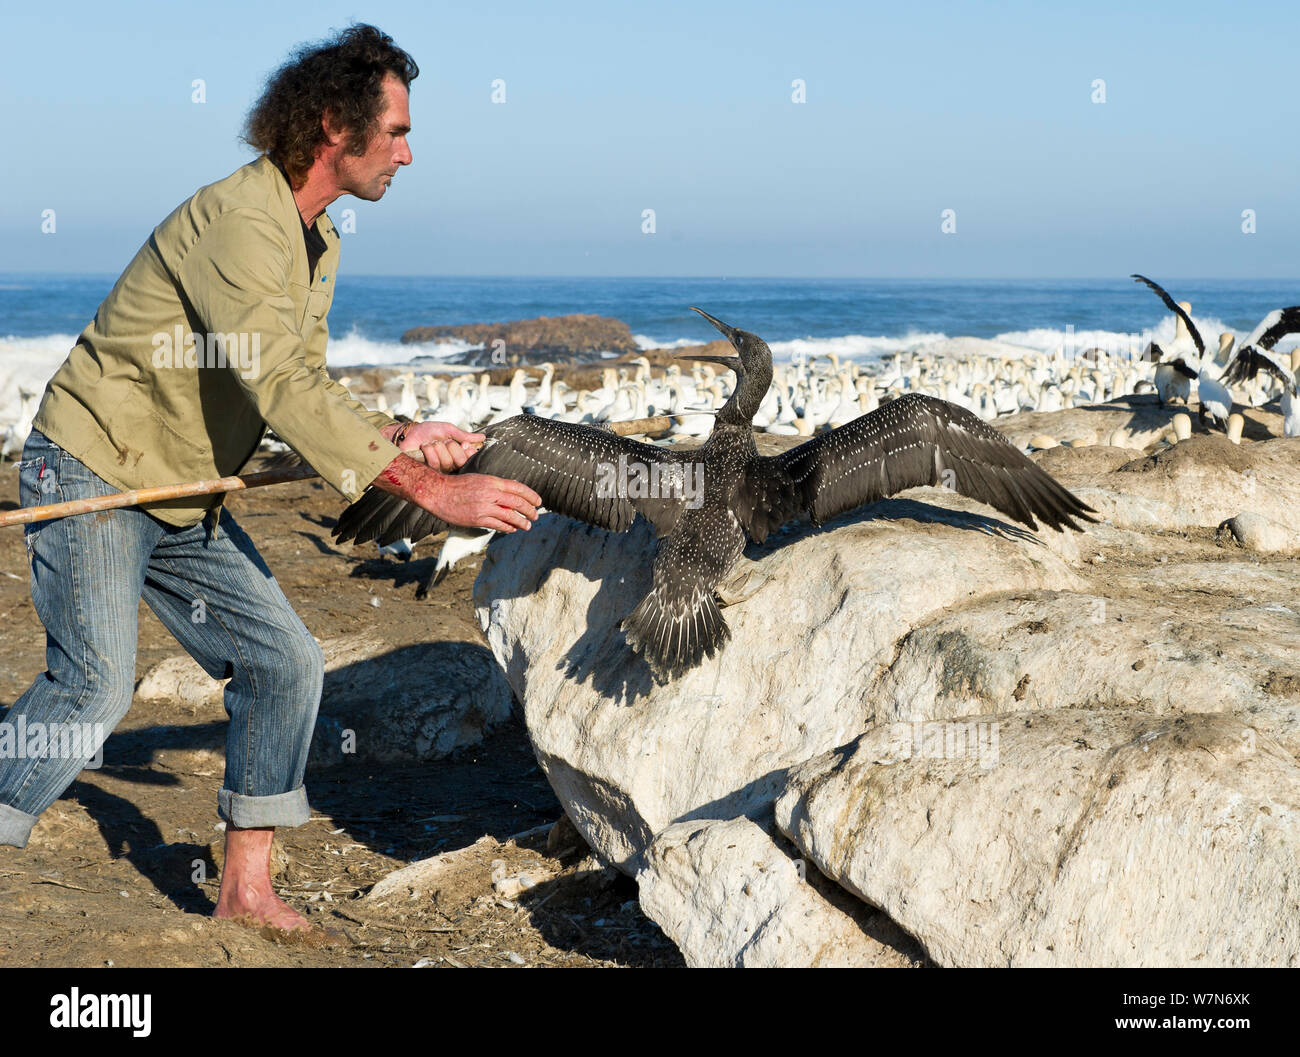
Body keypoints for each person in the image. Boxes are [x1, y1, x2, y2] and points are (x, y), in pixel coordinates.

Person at [0, 24, 540, 935]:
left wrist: (396, 432)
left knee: (283, 661)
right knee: (94, 683)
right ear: (334, 124)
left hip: (184, 491)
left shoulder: (316, 238)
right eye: (398, 131)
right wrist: (429, 491)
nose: (410, 152)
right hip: (94, 467)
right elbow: (279, 381)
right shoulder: (239, 222)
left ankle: (246, 887)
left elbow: (301, 385)